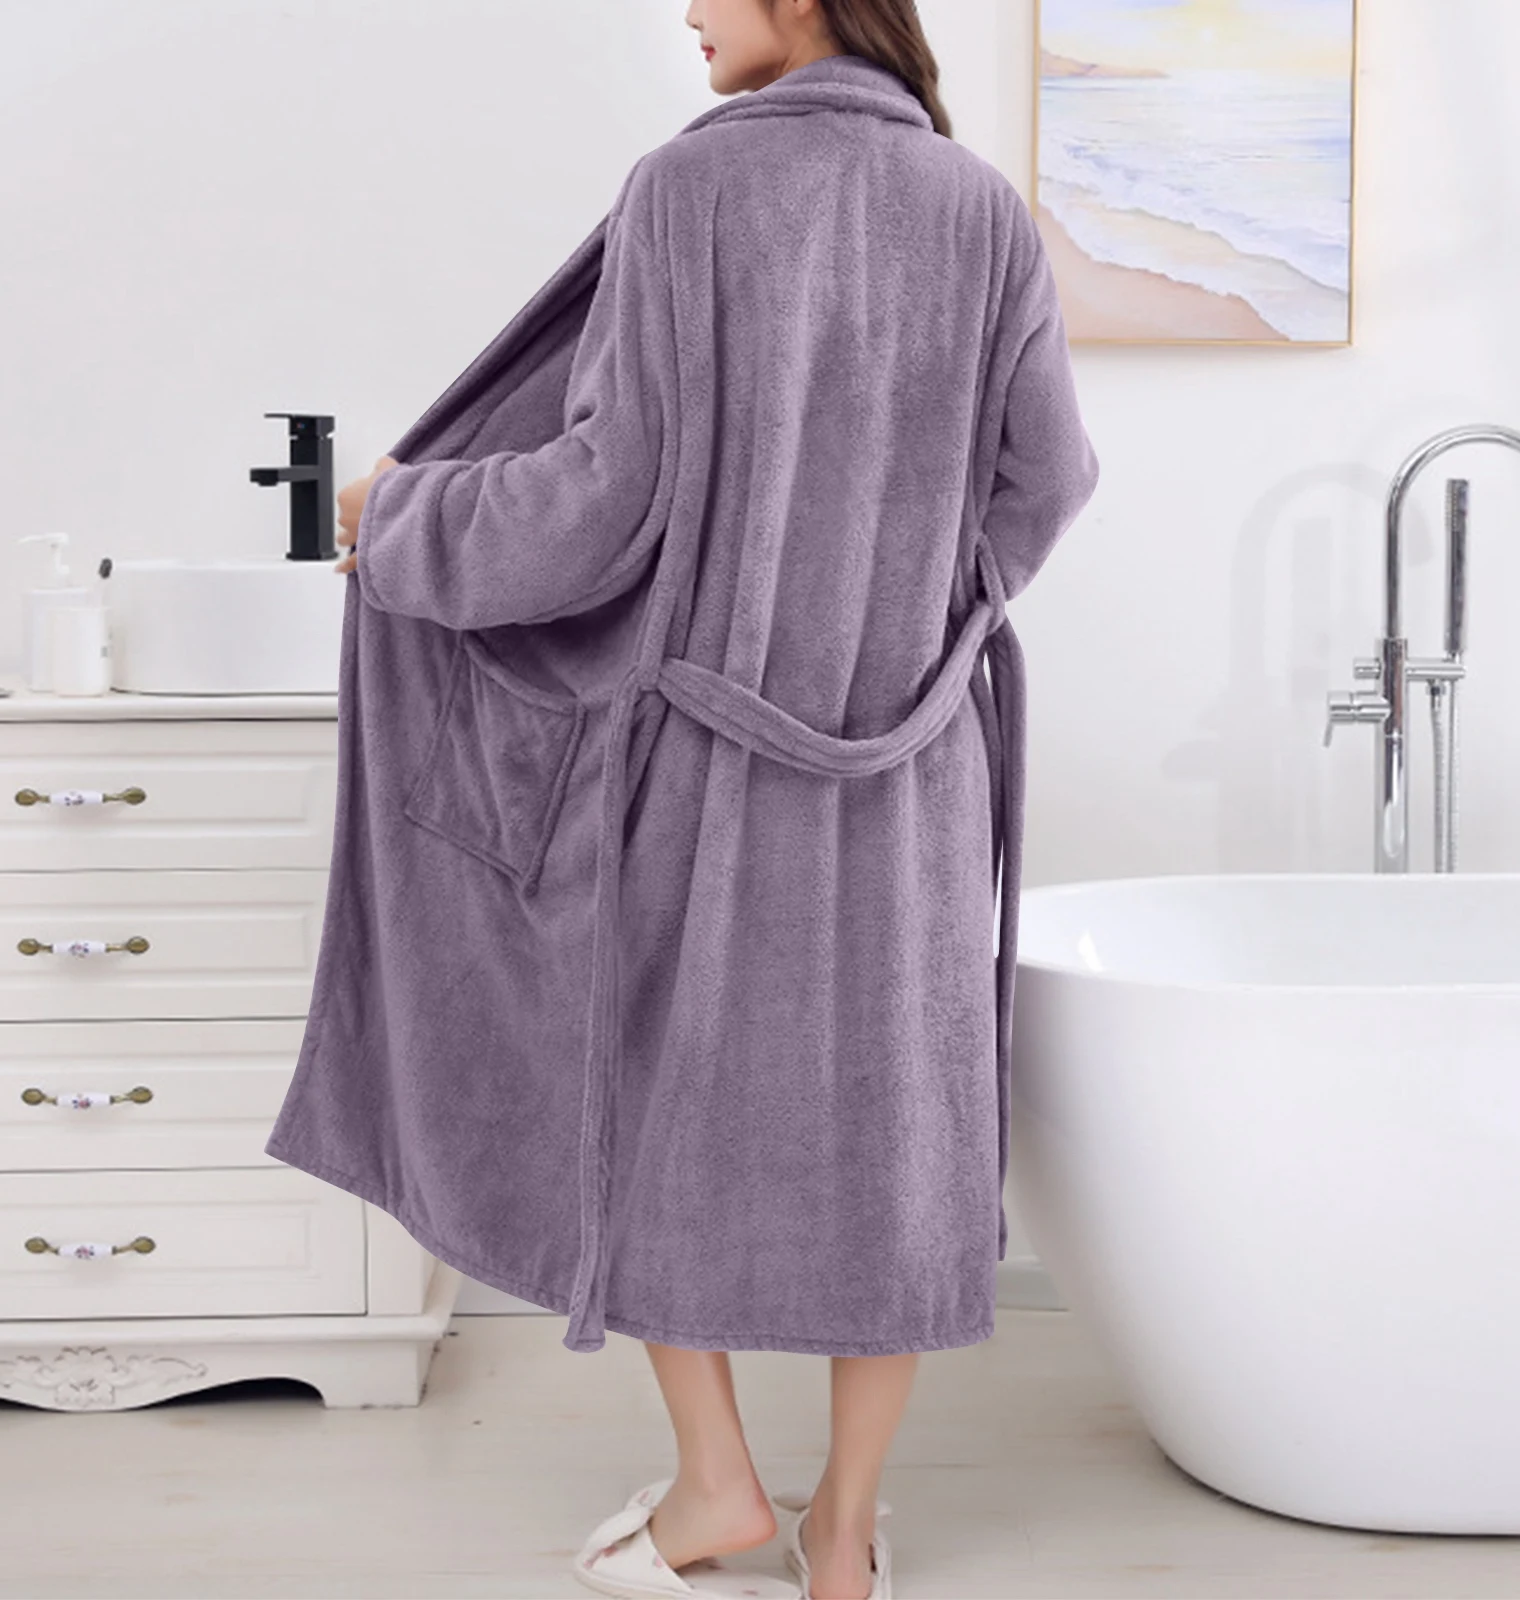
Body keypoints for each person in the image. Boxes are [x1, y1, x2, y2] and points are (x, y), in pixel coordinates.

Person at [313, 3, 1099, 1597]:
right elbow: (1050, 478)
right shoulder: (981, 207)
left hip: (707, 762)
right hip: (913, 770)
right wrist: (921, 618)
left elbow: (604, 500)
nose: (684, 9)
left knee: (655, 1102)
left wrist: (403, 516)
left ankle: (719, 1484)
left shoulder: (690, 187)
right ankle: (845, 1535)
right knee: (895, 1140)